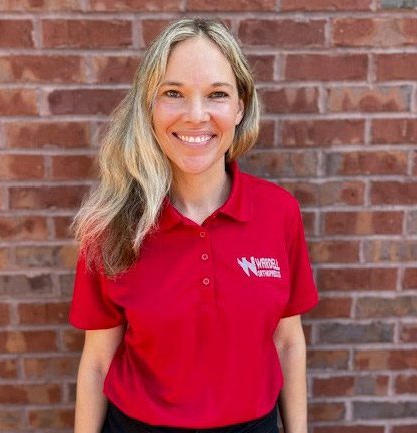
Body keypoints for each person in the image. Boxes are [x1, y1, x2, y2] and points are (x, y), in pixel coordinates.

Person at [69, 17, 318, 433]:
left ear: (240, 107)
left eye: (217, 94)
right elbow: (97, 361)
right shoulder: (109, 225)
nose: (196, 115)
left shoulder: (279, 212)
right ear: (149, 106)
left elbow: (288, 341)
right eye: (173, 93)